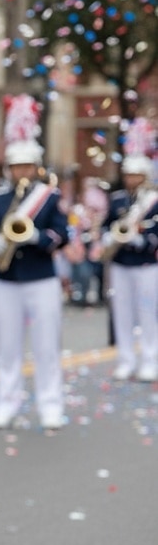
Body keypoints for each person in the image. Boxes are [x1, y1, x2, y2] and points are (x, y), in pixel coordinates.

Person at [0, 123, 68, 430]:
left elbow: (62, 234)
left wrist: (37, 237)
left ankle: (50, 405)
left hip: (41, 278)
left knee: (46, 345)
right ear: (8, 169)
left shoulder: (50, 197)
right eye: (17, 167)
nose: (22, 172)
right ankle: (6, 404)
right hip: (7, 280)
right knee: (7, 347)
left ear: (36, 167)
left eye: (27, 166)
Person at [99, 152, 158, 382]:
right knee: (122, 313)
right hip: (120, 262)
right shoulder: (117, 199)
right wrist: (106, 236)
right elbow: (106, 224)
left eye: (136, 175)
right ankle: (126, 360)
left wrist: (142, 240)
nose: (131, 179)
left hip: (146, 263)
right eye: (128, 175)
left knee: (147, 313)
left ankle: (150, 360)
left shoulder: (154, 201)